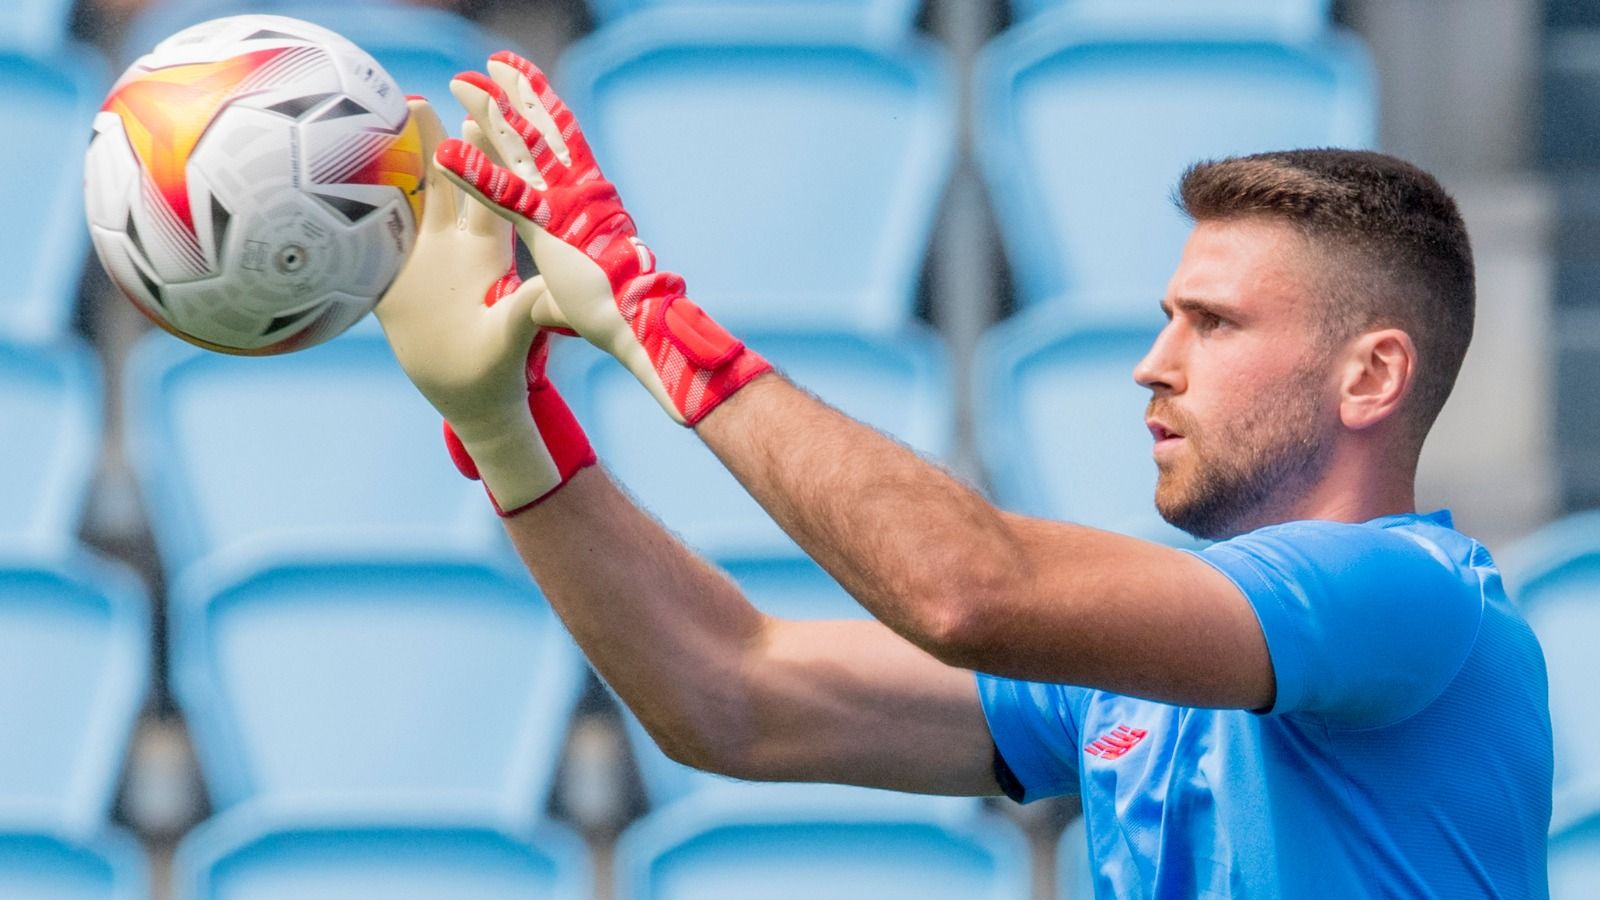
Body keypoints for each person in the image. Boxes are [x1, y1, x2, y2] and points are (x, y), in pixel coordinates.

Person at [373, 51, 1553, 897]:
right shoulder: (1137, 680)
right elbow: (729, 693)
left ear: (1370, 378)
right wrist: (506, 430)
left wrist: (647, 318)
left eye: (1214, 324)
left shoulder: (1417, 595)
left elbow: (967, 591)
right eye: (1164, 318)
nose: (1152, 365)